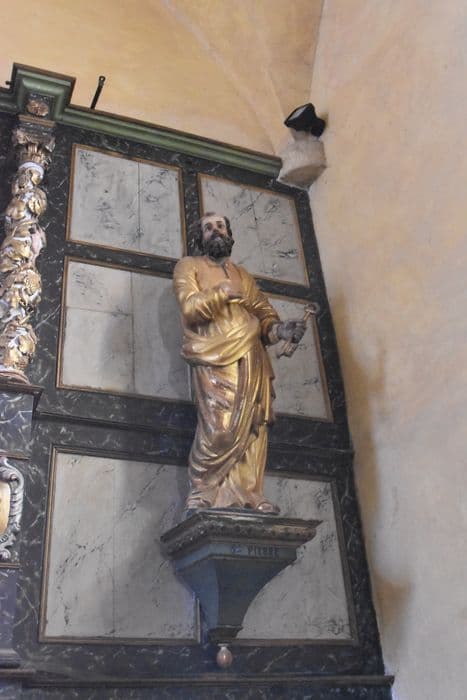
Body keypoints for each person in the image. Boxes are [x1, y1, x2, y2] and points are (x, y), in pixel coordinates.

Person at [173, 212, 305, 514]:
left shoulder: (242, 275)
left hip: (252, 355)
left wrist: (281, 329)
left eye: (220, 226)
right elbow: (189, 308)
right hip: (214, 356)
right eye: (208, 228)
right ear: (200, 237)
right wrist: (220, 293)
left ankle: (250, 493)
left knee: (253, 426)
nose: (215, 231)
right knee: (219, 428)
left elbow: (263, 313)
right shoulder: (189, 266)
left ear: (229, 234)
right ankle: (203, 490)